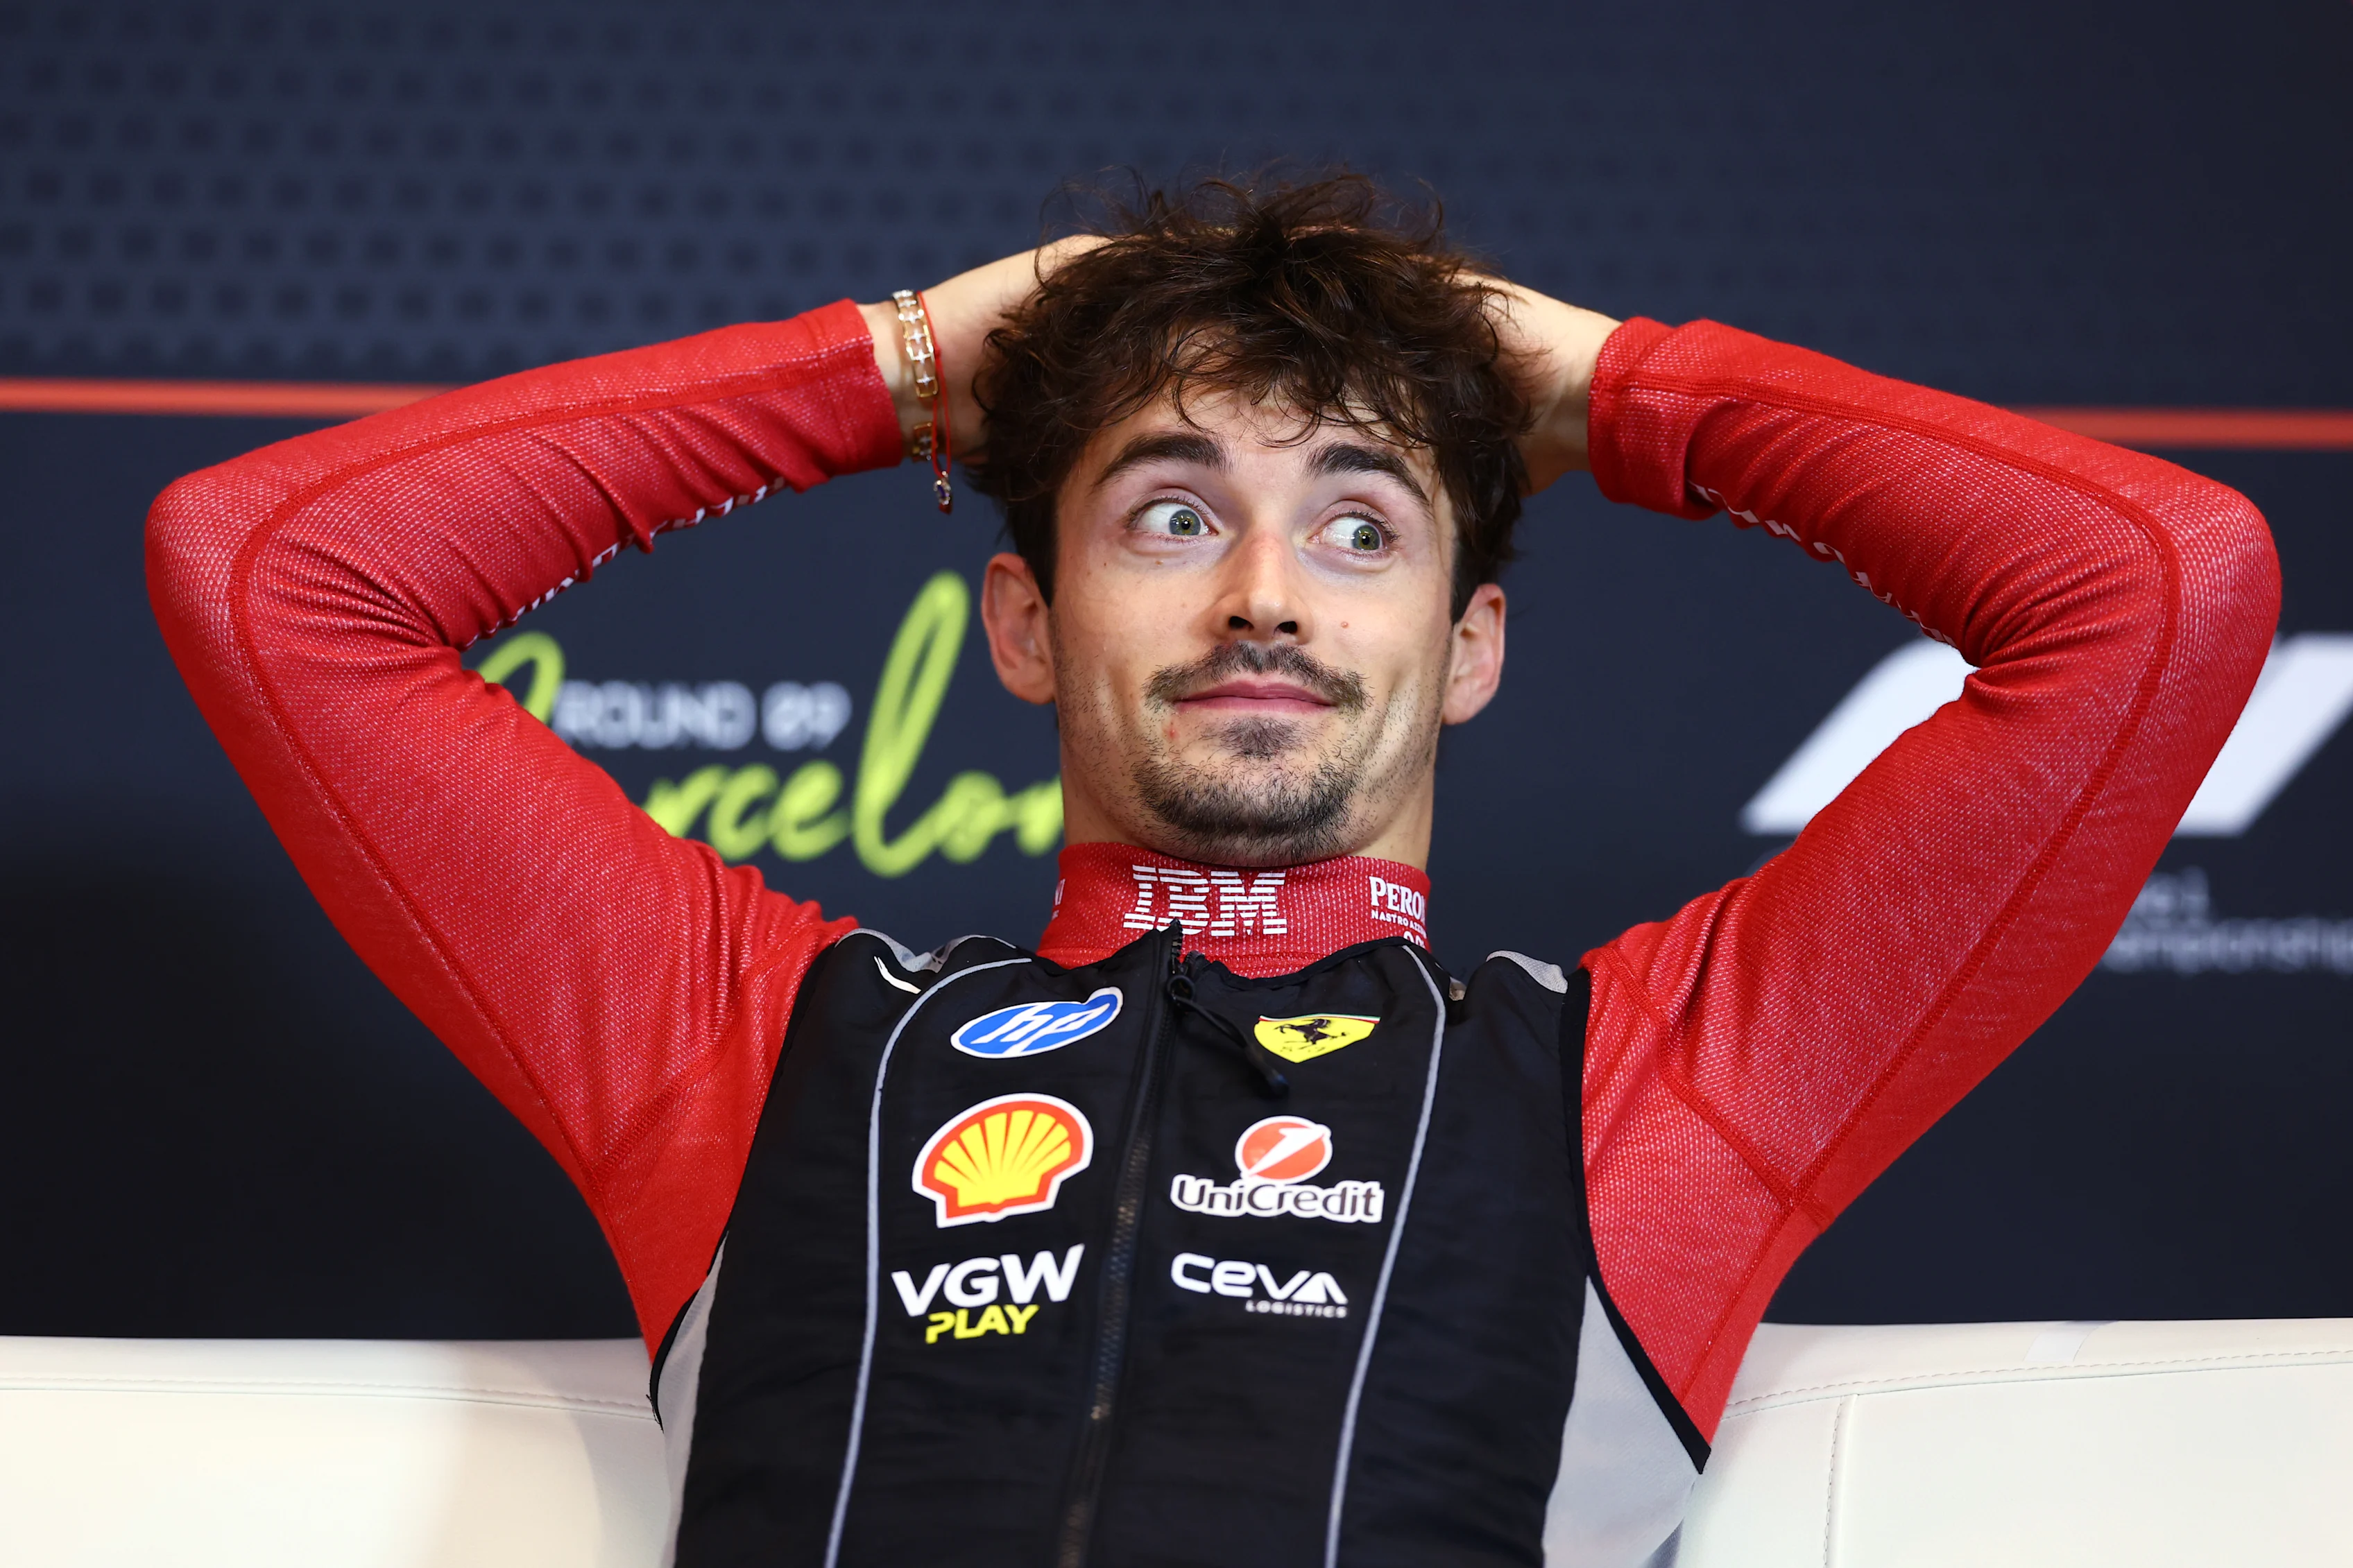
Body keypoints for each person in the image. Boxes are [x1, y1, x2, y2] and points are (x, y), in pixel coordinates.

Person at [146, 176, 2277, 1567]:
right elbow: (272, 577)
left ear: (1471, 649)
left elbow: (2159, 589)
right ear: (1021, 623)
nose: (1267, 593)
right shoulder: (763, 1047)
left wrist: (1615, 387)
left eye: (1364, 525)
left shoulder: (1642, 1090)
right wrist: (897, 366)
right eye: (1170, 510)